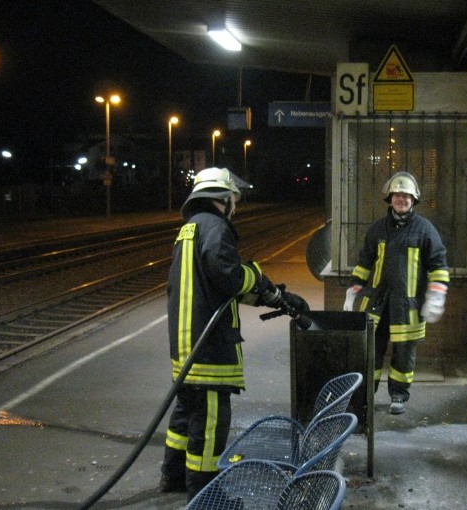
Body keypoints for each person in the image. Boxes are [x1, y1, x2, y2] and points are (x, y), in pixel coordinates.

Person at [159, 167, 309, 502]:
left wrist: (273, 295)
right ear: (225, 198)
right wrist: (256, 275)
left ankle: (173, 476)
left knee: (186, 415)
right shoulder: (216, 227)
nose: (233, 204)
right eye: (233, 198)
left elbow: (216, 285)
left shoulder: (190, 229)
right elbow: (226, 274)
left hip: (186, 343)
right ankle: (205, 496)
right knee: (210, 425)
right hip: (209, 347)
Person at [344, 171, 450, 415]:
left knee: (404, 354)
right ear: (390, 199)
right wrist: (352, 292)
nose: (401, 199)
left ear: (414, 200)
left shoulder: (425, 230)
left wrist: (436, 295)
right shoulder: (378, 229)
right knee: (370, 351)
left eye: (406, 196)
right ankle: (364, 396)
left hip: (408, 306)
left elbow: (438, 265)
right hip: (377, 304)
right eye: (397, 195)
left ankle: (399, 395)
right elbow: (364, 263)